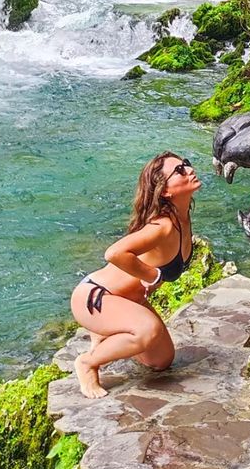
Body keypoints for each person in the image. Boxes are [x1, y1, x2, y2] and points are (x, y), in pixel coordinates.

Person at [70, 152, 201, 399]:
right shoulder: (162, 226)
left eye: (186, 164)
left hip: (129, 301)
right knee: (147, 330)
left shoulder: (183, 219)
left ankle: (107, 332)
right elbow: (115, 253)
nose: (189, 169)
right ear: (164, 191)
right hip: (96, 297)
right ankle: (88, 363)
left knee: (161, 360)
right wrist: (150, 275)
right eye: (179, 170)